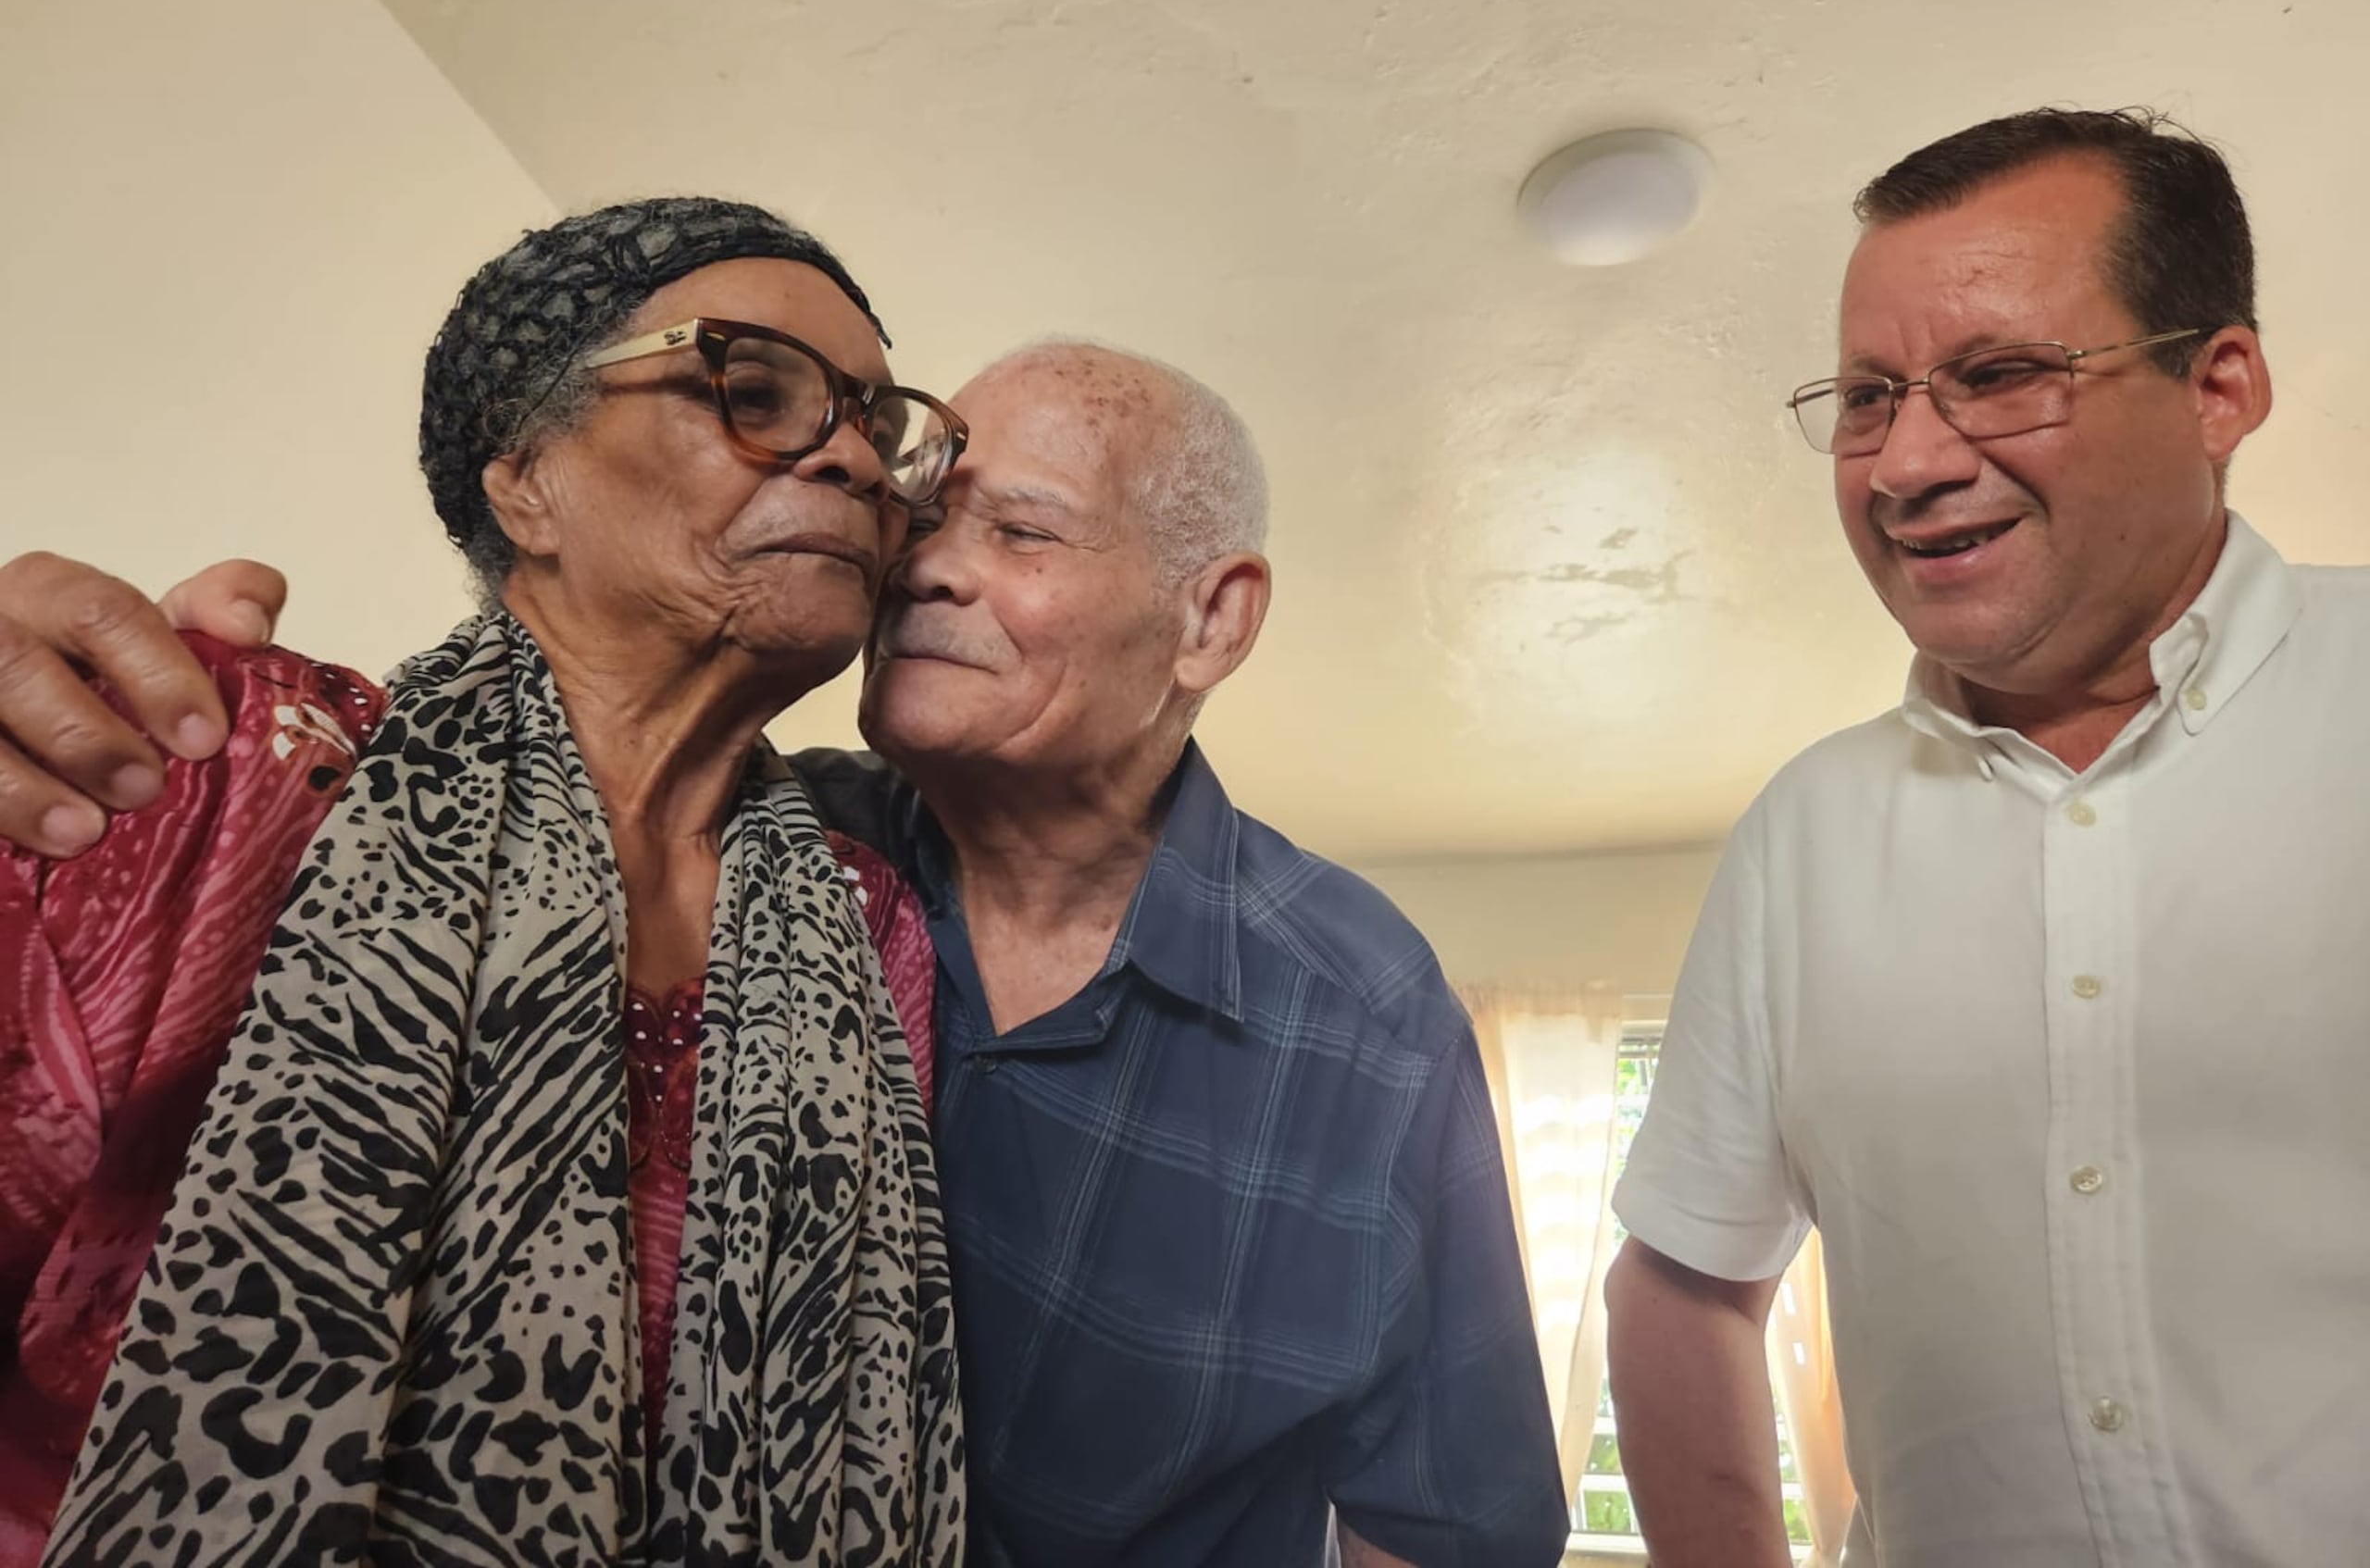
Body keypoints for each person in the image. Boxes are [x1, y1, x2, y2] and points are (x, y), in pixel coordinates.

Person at [0, 342, 1570, 1566]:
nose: (925, 570)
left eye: (1020, 529)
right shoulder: (753, 857)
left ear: (1211, 624)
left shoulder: (1362, 1007)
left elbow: (1445, 1521)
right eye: (925, 518)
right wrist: (113, 690)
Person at [0, 198, 967, 1566]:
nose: (860, 462)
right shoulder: (230, 766)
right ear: (525, 483)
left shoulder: (871, 924)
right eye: (755, 389)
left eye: (882, 425)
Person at [1603, 108, 2368, 1567]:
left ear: (2219, 385)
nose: (1904, 465)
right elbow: (1684, 1286)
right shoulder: (1804, 840)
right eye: (1870, 398)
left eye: (2000, 377)